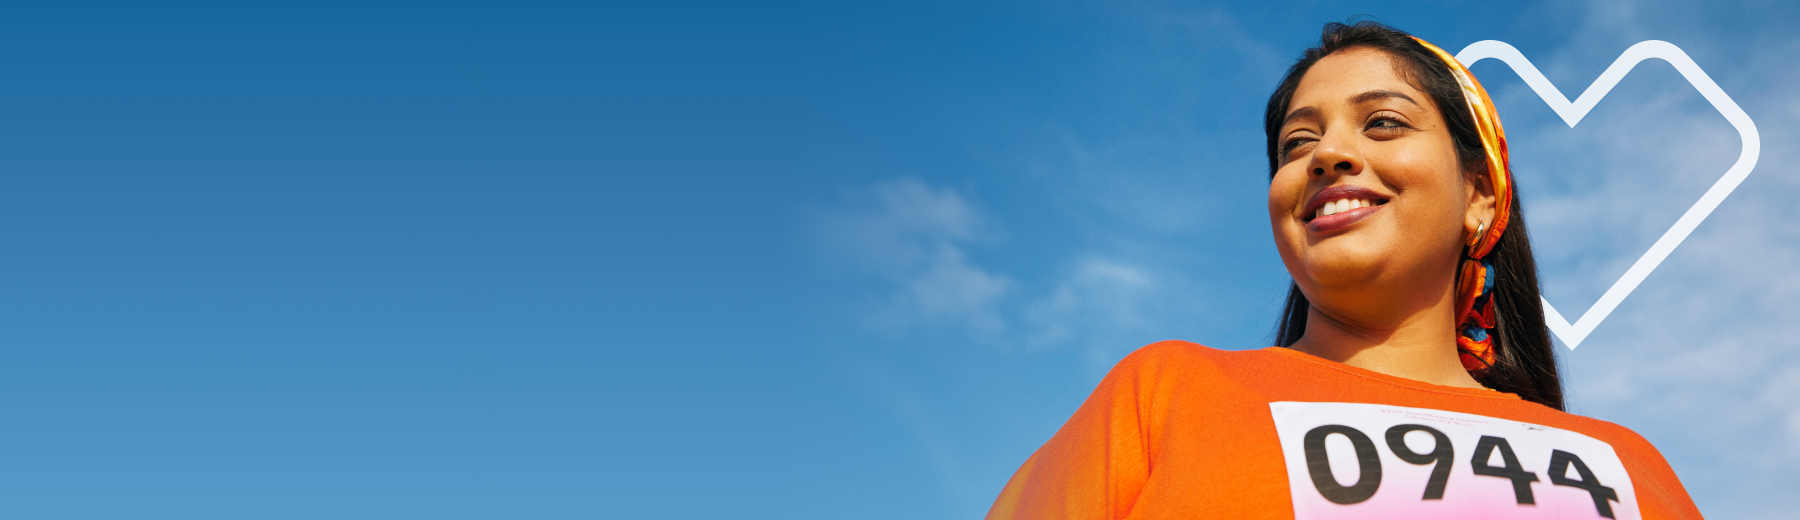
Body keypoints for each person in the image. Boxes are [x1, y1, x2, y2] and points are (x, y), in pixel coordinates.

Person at [984, 22, 1700, 519]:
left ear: (1480, 195)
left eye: (1383, 122)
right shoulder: (1162, 397)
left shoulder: (1627, 466)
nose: (1327, 154)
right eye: (1297, 143)